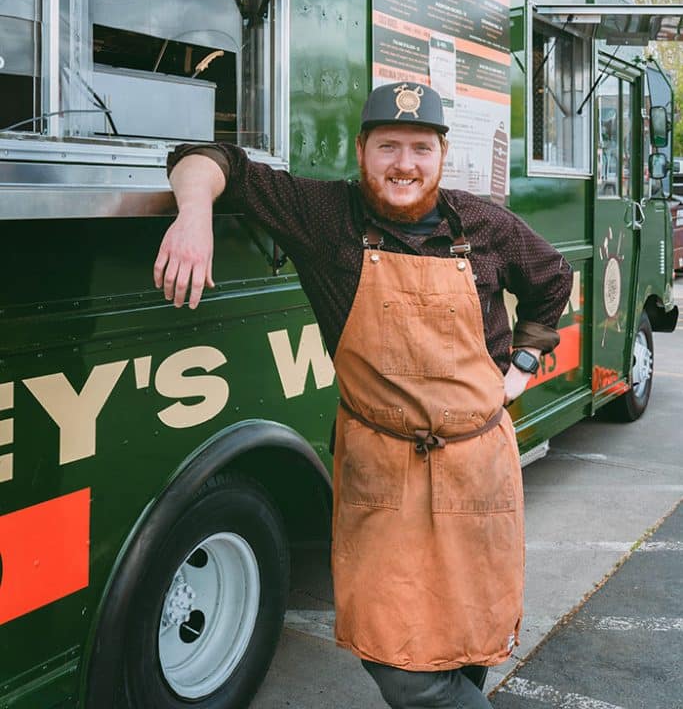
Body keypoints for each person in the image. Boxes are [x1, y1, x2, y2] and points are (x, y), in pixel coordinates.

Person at [155, 81, 573, 709]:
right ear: (361, 151)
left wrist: (522, 365)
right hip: (380, 474)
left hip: (476, 468)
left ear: (440, 154)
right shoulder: (327, 216)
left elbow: (552, 278)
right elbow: (207, 159)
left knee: (465, 642)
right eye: (388, 147)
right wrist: (194, 217)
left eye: (419, 148)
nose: (404, 164)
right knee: (402, 667)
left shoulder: (482, 224)